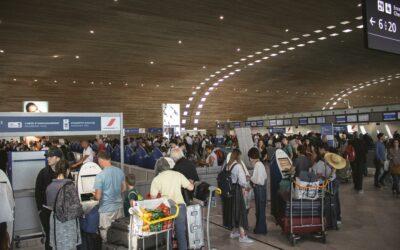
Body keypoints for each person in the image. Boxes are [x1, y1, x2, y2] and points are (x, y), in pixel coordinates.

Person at [150, 157, 194, 250]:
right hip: (180, 207)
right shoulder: (178, 174)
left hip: (167, 208)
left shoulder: (157, 179)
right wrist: (190, 182)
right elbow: (191, 188)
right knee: (181, 233)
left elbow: (153, 197)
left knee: (167, 233)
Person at [46, 159, 82, 249]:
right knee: (69, 246)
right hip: (68, 222)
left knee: (57, 246)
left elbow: (50, 205)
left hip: (55, 221)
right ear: (67, 170)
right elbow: (77, 207)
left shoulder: (50, 186)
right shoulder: (69, 186)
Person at [94, 151, 126, 242]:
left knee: (107, 237)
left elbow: (98, 197)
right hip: (119, 208)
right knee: (119, 235)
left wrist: (95, 195)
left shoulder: (100, 176)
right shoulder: (120, 171)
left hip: (106, 210)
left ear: (100, 160)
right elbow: (124, 188)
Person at [35, 147, 62, 250]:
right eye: (48, 157)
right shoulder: (43, 173)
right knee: (50, 236)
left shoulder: (64, 172)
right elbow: (38, 192)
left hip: (61, 211)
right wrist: (40, 210)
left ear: (58, 158)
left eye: (51, 156)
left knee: (60, 236)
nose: (48, 159)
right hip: (46, 211)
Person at [225, 149, 253, 243]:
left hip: (230, 191)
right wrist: (247, 186)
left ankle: (233, 232)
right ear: (238, 156)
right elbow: (242, 182)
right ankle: (242, 236)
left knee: (233, 211)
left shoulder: (228, 165)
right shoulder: (238, 166)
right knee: (241, 212)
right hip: (237, 191)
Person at [248, 148, 267, 235]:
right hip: (261, 189)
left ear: (252, 157)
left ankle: (260, 229)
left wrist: (250, 178)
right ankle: (260, 228)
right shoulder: (260, 164)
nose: (250, 160)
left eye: (250, 157)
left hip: (260, 190)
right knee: (260, 210)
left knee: (260, 210)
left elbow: (259, 180)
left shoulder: (258, 165)